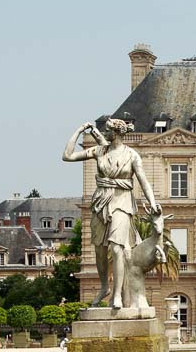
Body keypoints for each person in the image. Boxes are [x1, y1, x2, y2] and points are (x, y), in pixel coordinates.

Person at [62, 118, 161, 308]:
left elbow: (143, 181)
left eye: (107, 131)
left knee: (117, 248)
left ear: (115, 133)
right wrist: (79, 129)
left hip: (122, 202)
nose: (105, 133)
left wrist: (153, 203)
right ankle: (104, 287)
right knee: (100, 251)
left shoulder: (132, 155)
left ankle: (117, 295)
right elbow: (67, 156)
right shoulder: (100, 151)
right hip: (100, 202)